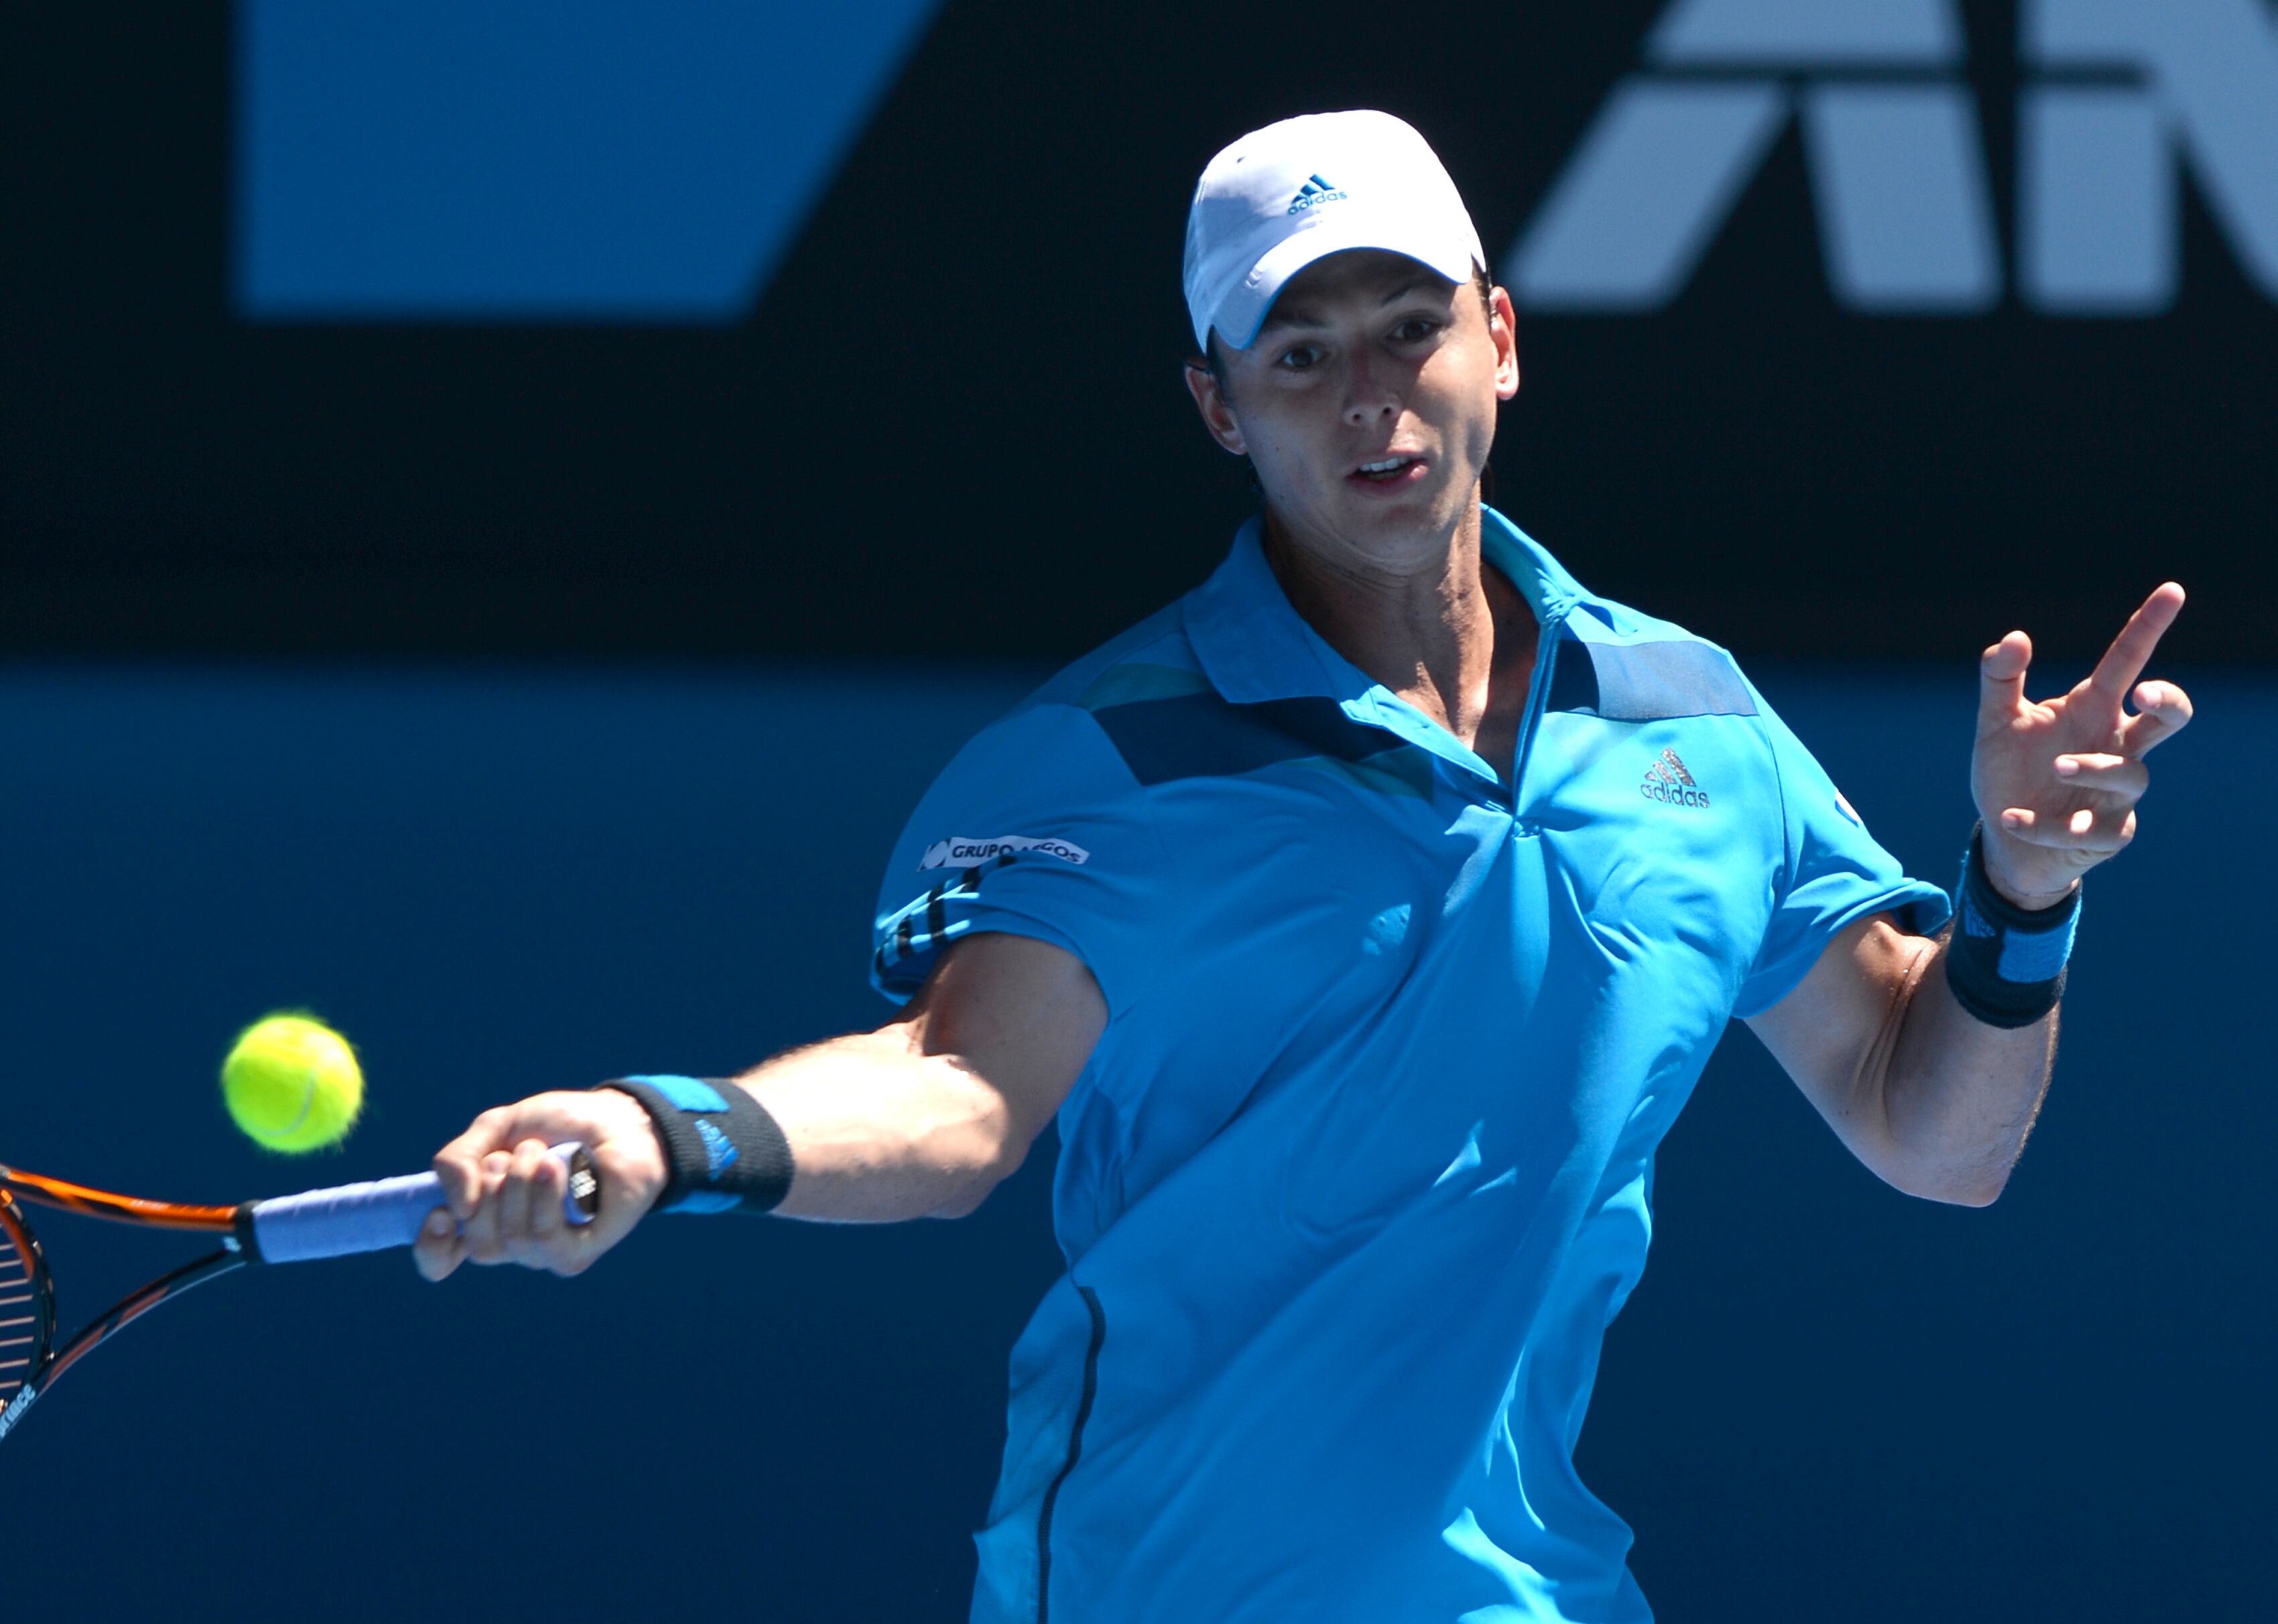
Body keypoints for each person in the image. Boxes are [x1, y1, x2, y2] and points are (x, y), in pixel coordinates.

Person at [411, 111, 2193, 1622]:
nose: (1368, 398)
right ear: (1219, 405)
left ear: (1500, 338)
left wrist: (2021, 898)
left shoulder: (1695, 725)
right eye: (1299, 353)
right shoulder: (1106, 765)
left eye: (1407, 329)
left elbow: (1933, 1134)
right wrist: (670, 1131)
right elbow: (956, 1100)